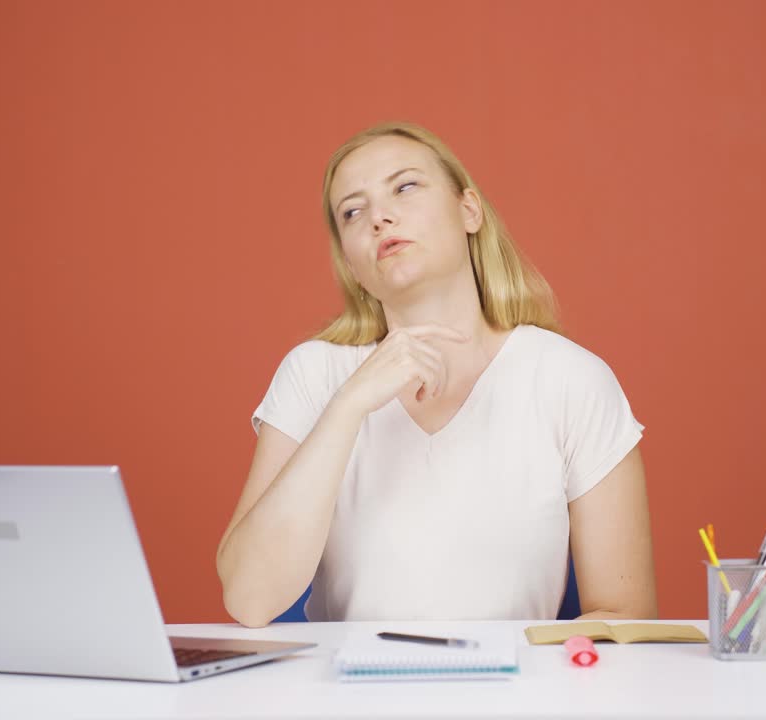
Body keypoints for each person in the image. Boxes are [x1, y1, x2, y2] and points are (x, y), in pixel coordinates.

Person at [216, 122, 656, 627]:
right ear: (352, 264)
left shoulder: (571, 380)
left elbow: (626, 617)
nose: (379, 217)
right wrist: (348, 405)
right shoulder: (314, 373)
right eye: (353, 213)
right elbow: (249, 601)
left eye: (404, 187)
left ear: (469, 211)